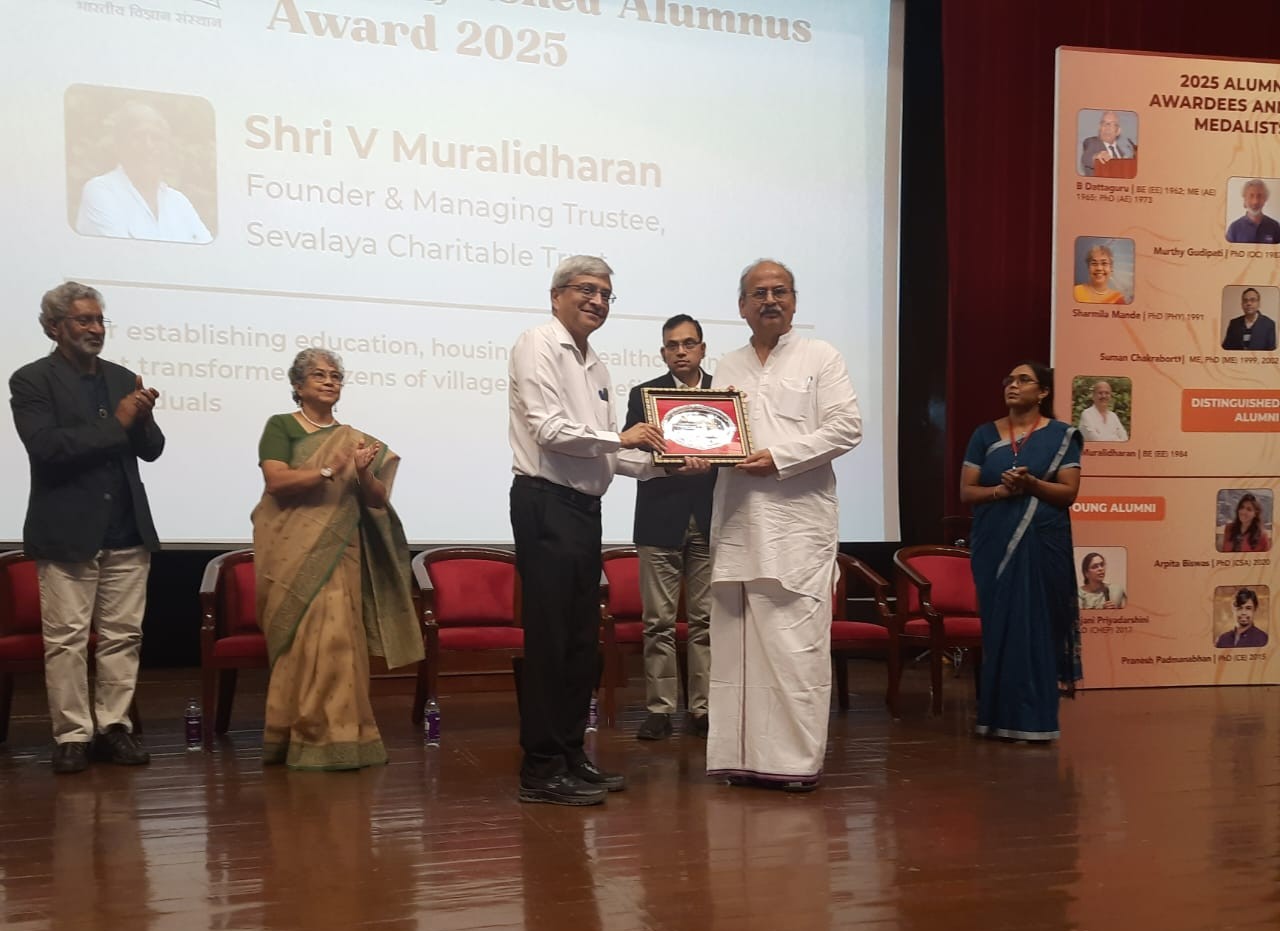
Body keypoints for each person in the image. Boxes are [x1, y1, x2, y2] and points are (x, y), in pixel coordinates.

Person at [508, 255, 697, 806]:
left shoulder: (597, 364)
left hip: (583, 509)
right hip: (544, 503)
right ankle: (540, 769)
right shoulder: (537, 344)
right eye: (586, 290)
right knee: (549, 642)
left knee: (577, 645)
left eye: (606, 294)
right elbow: (548, 431)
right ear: (556, 295)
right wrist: (624, 437)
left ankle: (569, 754)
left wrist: (669, 461)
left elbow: (607, 456)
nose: (597, 300)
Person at [705, 259, 862, 793]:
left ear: (794, 300)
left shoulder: (822, 357)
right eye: (758, 293)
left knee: (794, 648)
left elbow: (847, 428)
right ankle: (738, 758)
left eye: (779, 291)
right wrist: (699, 454)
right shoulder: (726, 364)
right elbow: (716, 434)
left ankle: (793, 765)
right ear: (742, 306)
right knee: (736, 643)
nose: (769, 300)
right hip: (737, 521)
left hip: (797, 526)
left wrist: (779, 457)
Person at [9, 282, 165, 774]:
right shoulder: (31, 381)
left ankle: (114, 728)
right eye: (84, 321)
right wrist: (119, 421)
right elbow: (48, 448)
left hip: (125, 529)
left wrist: (143, 419)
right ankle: (73, 735)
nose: (96, 329)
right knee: (67, 640)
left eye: (100, 320)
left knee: (123, 636)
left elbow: (152, 449)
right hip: (66, 529)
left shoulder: (121, 377)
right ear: (55, 327)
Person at [251, 348, 422, 770]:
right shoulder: (281, 426)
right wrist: (330, 470)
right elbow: (276, 482)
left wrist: (362, 473)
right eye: (318, 376)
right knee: (304, 644)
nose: (329, 382)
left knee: (339, 642)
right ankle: (300, 736)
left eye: (335, 376)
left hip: (340, 549)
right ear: (297, 385)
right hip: (291, 549)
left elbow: (378, 500)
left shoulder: (356, 439)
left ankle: (346, 737)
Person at [960, 360, 1083, 742]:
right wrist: (1001, 491)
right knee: (1002, 630)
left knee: (1039, 628)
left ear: (1042, 392)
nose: (1013, 385)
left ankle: (1037, 721)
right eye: (1009, 379)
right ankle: (995, 718)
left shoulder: (1063, 435)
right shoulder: (985, 434)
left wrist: (1031, 485)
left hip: (1044, 541)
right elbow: (967, 492)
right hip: (994, 544)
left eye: (1023, 380)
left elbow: (1069, 493)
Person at [624, 314, 716, 741]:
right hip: (660, 519)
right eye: (672, 345)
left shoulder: (725, 394)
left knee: (706, 621)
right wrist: (668, 468)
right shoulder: (644, 395)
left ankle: (703, 708)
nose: (681, 351)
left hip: (712, 519)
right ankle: (660, 709)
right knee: (657, 622)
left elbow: (738, 451)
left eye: (689, 343)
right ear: (663, 352)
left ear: (701, 349)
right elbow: (627, 458)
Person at [75, 101, 213, 244]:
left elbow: (208, 255)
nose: (149, 145)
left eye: (157, 138)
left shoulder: (180, 202)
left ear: (168, 148)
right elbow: (122, 258)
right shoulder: (100, 191)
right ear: (119, 145)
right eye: (138, 136)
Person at [1080, 110, 1136, 177]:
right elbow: (1086, 158)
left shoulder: (1122, 153)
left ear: (1118, 131)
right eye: (1104, 124)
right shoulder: (1091, 142)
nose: (1107, 128)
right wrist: (1096, 157)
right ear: (1100, 128)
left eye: (1111, 124)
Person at [1225, 179, 1280, 244]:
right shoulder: (1234, 228)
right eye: (1251, 196)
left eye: (1259, 196)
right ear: (1245, 199)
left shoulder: (1275, 226)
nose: (1255, 202)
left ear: (1265, 199)